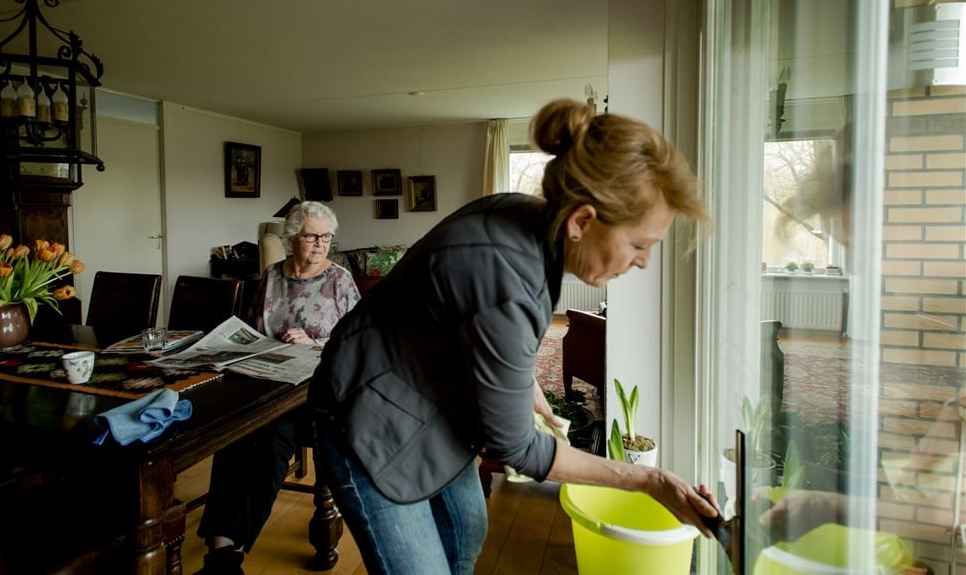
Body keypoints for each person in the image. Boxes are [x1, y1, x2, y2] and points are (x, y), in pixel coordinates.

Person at [306, 98, 720, 575]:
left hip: (433, 399)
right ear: (582, 221)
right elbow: (516, 448)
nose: (644, 260)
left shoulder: (528, 218)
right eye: (639, 244)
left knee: (464, 537)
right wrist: (647, 480)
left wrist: (524, 384)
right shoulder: (505, 275)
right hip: (367, 414)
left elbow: (475, 328)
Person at [196, 201, 361, 575]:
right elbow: (255, 332)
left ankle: (230, 551)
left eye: (326, 237)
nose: (320, 244)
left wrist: (315, 343)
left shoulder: (340, 280)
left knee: (269, 442)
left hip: (315, 395)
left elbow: (358, 345)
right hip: (265, 384)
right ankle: (220, 550)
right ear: (291, 239)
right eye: (311, 236)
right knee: (231, 433)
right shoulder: (272, 276)